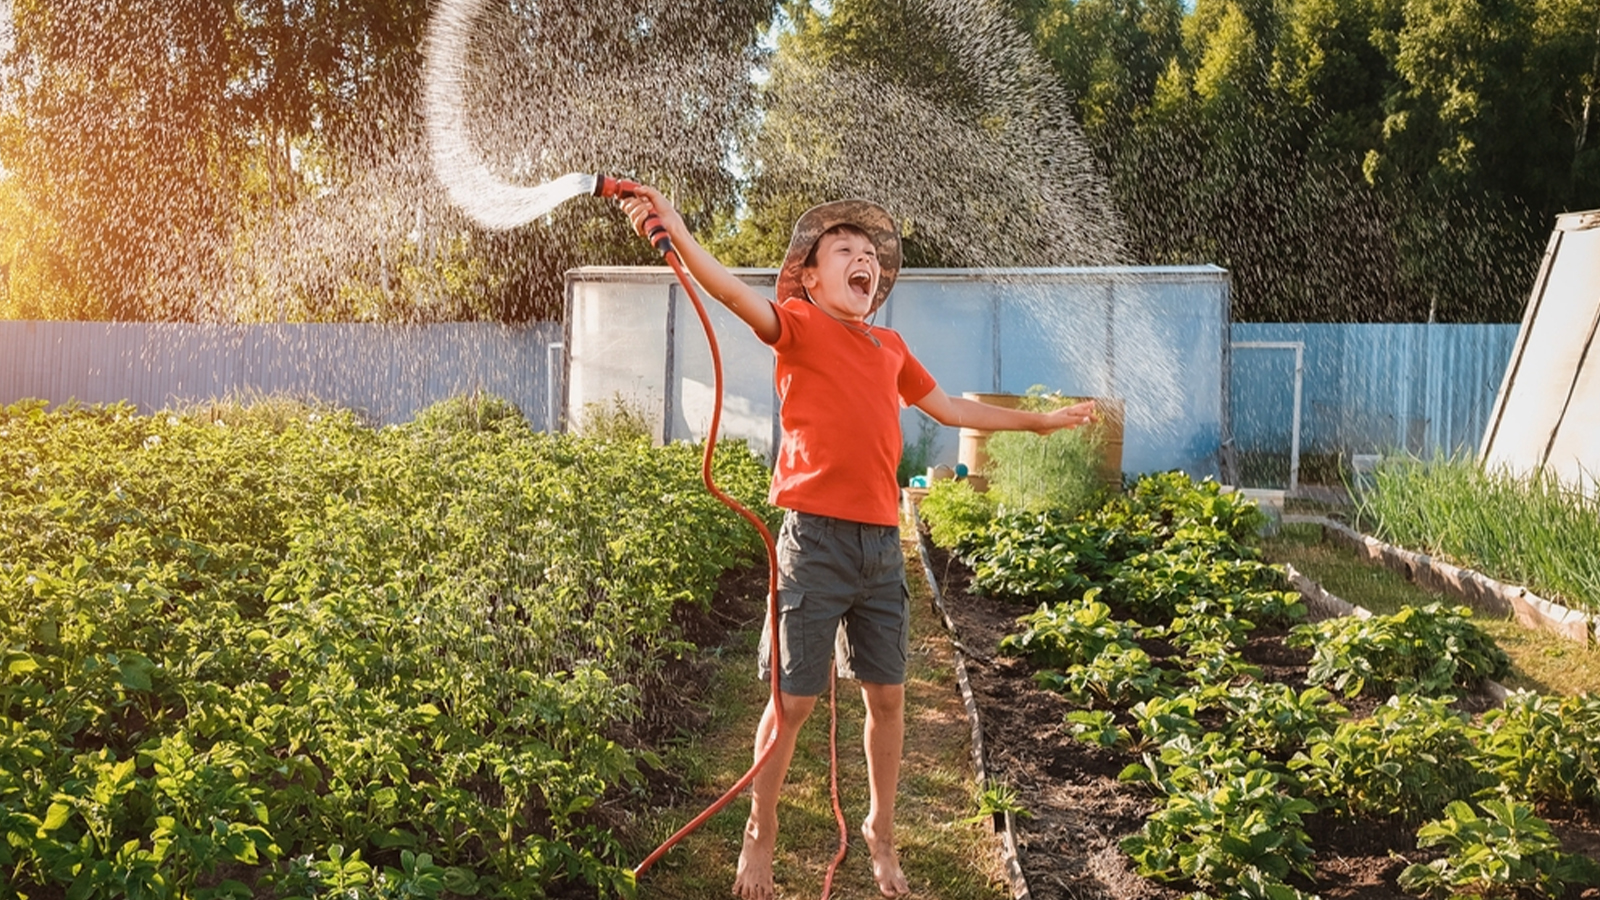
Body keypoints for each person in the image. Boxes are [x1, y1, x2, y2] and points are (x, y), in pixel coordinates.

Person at [621, 187, 1096, 900]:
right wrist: (678, 229)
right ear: (810, 277)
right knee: (794, 701)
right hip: (814, 542)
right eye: (844, 249)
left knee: (891, 698)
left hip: (880, 545)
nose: (863, 258)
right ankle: (762, 829)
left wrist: (1041, 422)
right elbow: (724, 289)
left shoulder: (892, 347)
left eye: (870, 254)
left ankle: (880, 828)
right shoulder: (797, 323)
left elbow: (949, 407)